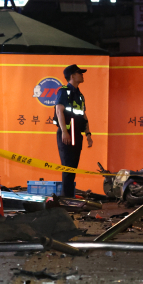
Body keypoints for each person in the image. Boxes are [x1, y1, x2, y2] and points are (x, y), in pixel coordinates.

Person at [54, 64, 93, 198]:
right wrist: (64, 132)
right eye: (79, 73)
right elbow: (59, 111)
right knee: (67, 166)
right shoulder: (63, 91)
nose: (82, 75)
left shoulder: (80, 95)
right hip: (67, 134)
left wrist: (88, 134)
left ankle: (69, 196)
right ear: (72, 76)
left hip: (77, 134)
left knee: (73, 167)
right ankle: (67, 198)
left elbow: (83, 115)